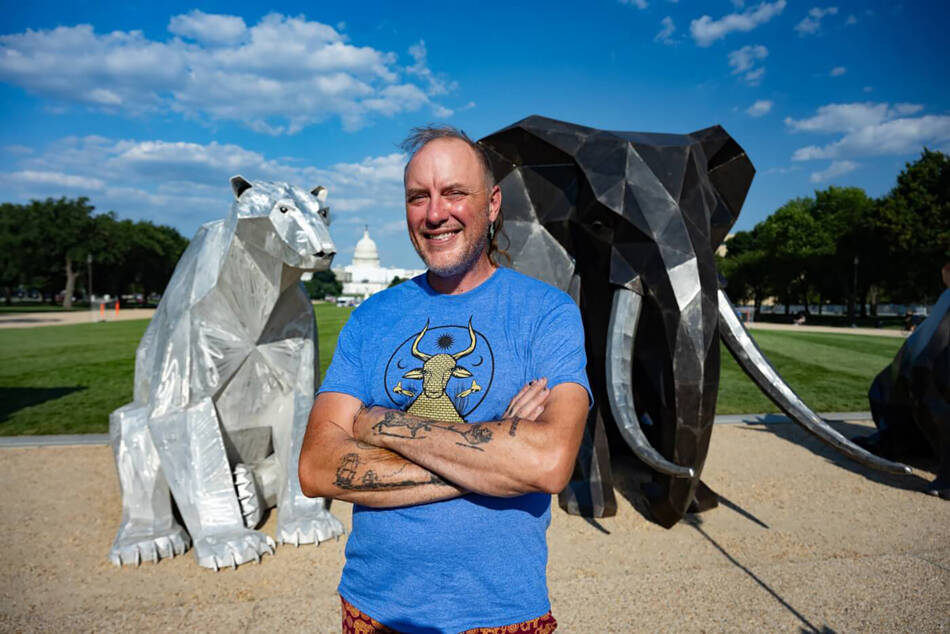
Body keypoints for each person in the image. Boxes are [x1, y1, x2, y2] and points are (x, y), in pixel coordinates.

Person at [298, 125, 591, 633]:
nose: (435, 213)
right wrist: (497, 451)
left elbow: (547, 463)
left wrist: (380, 424)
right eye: (419, 197)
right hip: (373, 609)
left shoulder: (547, 313)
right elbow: (317, 469)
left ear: (493, 203)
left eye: (455, 192)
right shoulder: (369, 319)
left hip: (502, 615)